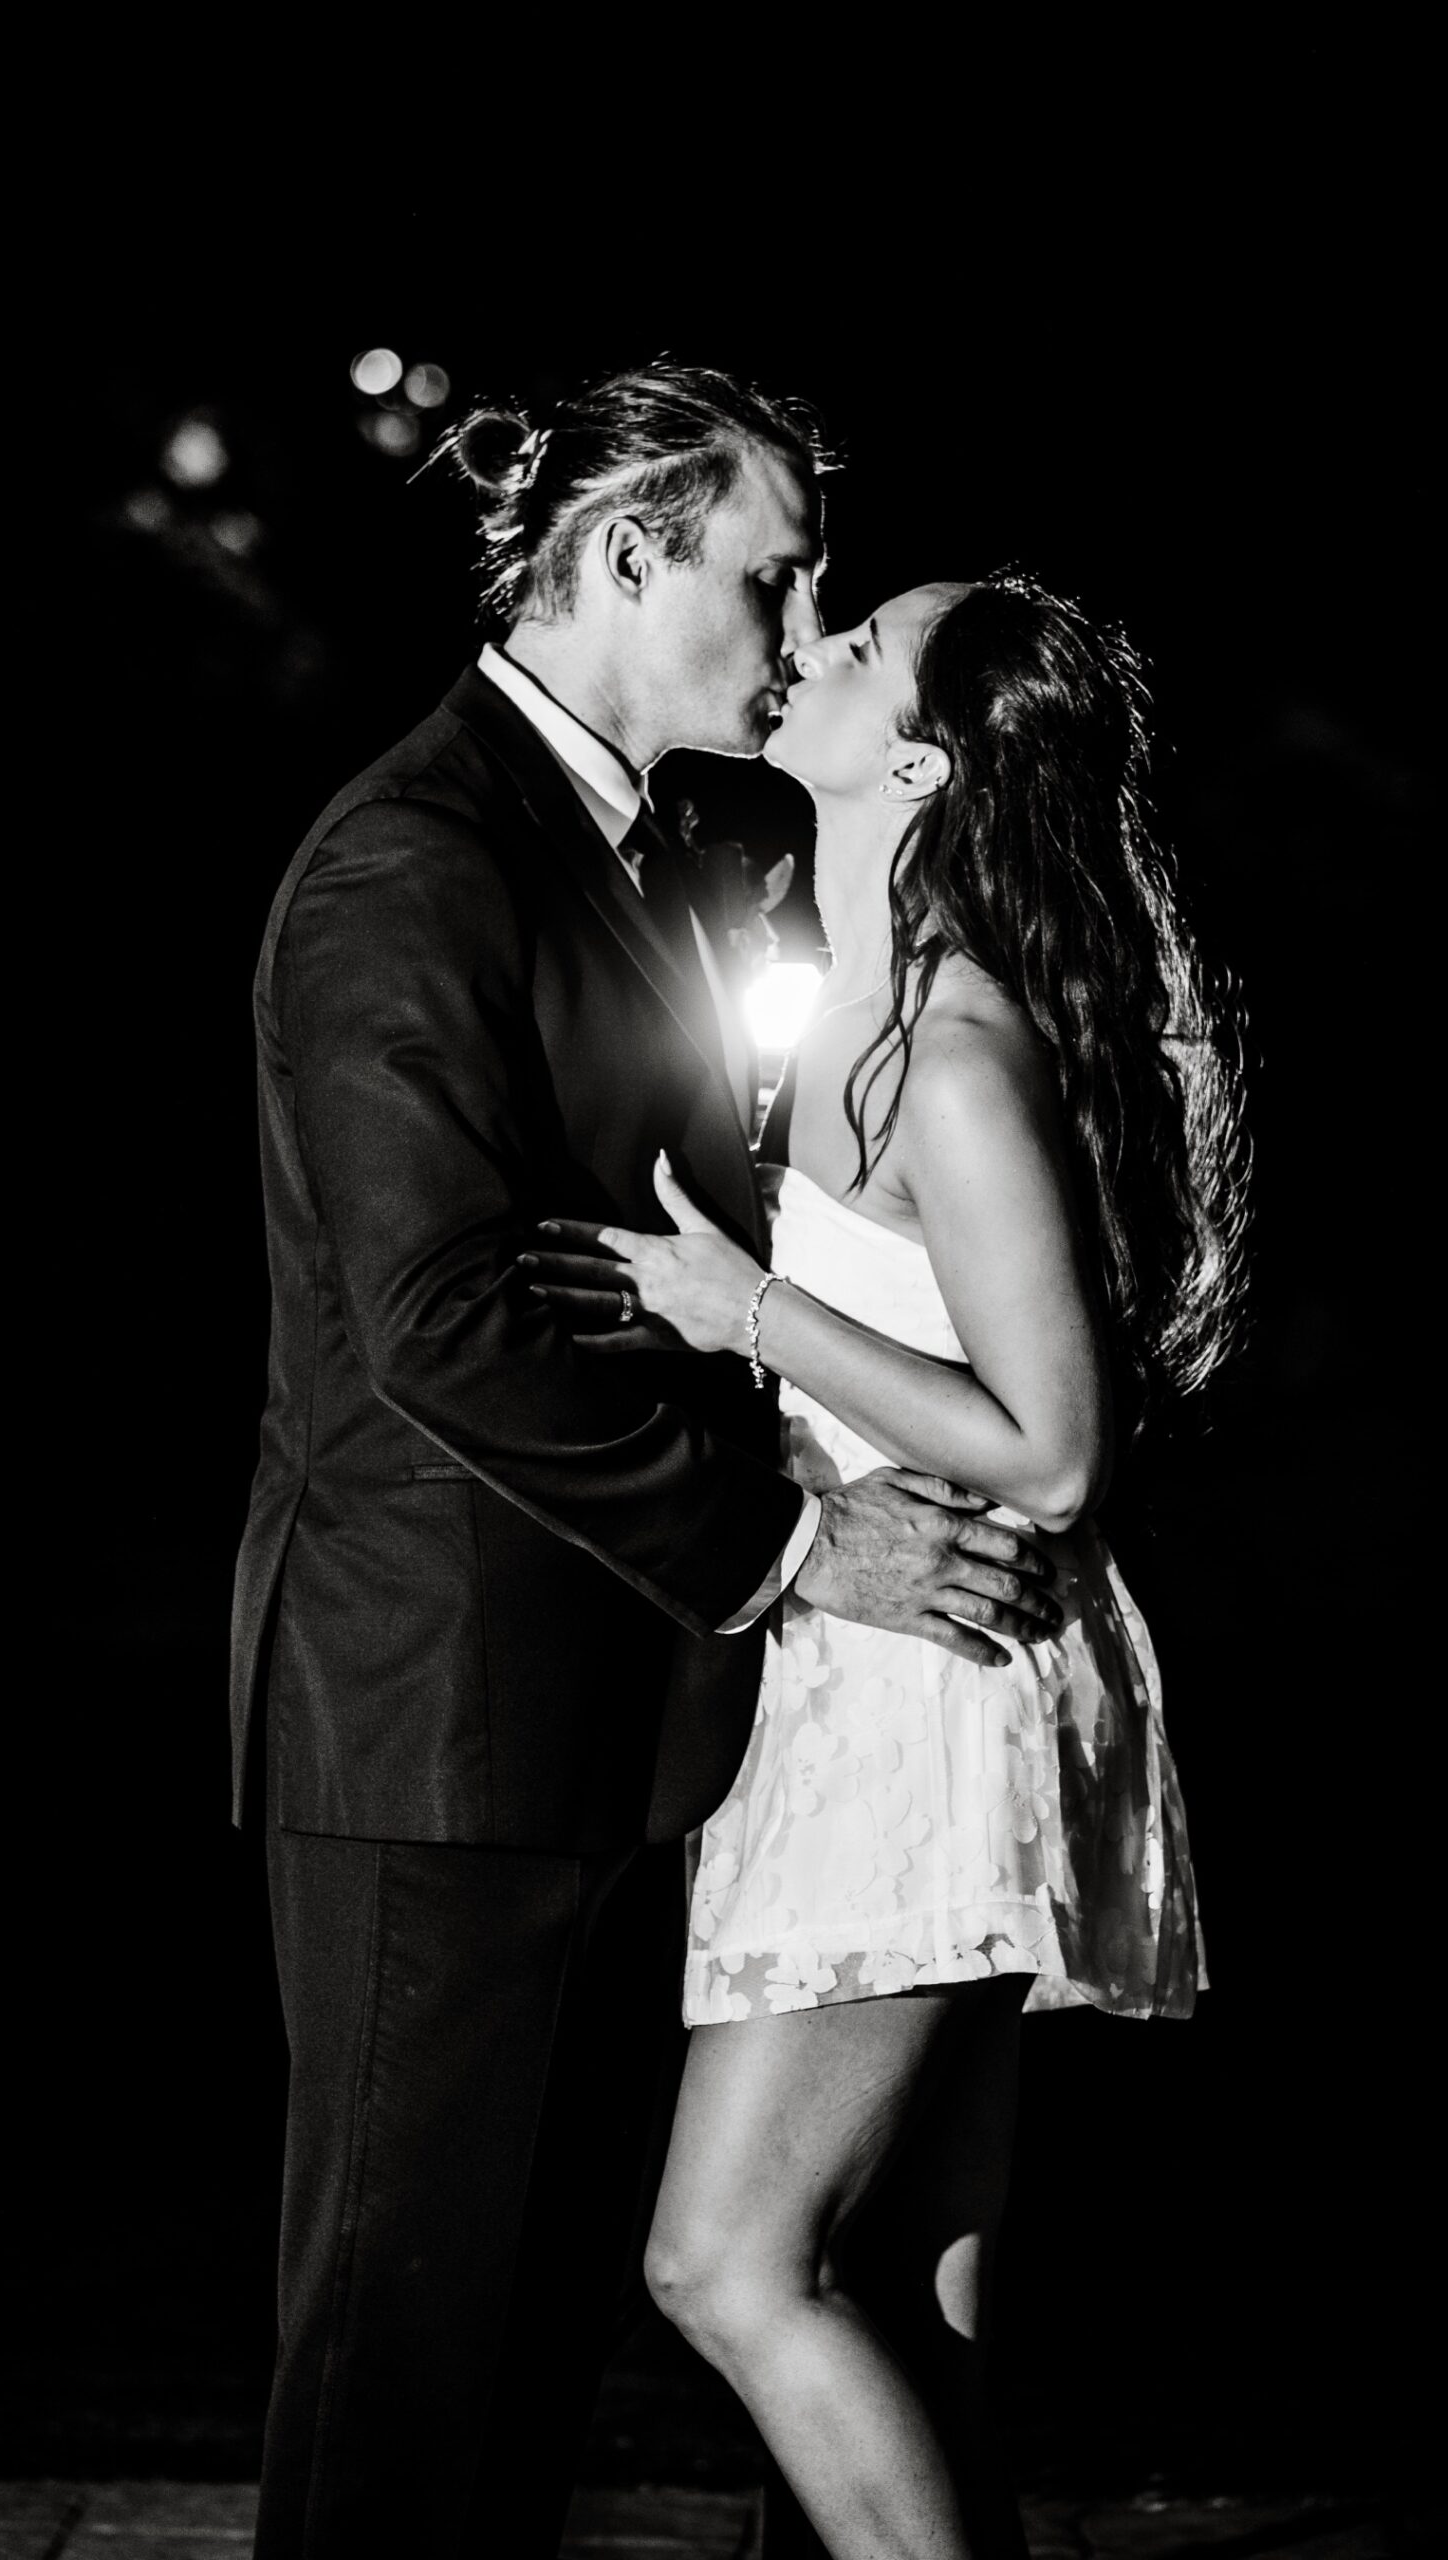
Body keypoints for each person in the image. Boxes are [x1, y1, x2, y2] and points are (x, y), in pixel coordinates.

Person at [227, 373, 1067, 2559]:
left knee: (518, 2364)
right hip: (442, 1728)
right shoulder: (408, 862)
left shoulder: (677, 841)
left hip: (622, 1719)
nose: (799, 623)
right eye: (768, 569)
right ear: (623, 558)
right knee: (403, 2375)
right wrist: (799, 1544)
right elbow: (435, 1319)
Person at [530, 572, 1249, 2558]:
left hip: (940, 1669)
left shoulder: (942, 1044)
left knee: (725, 2262)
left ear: (919, 757)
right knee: (913, 2302)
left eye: (861, 648)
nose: (813, 639)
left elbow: (1055, 1437)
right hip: (882, 1650)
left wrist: (742, 1303)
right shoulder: (839, 981)